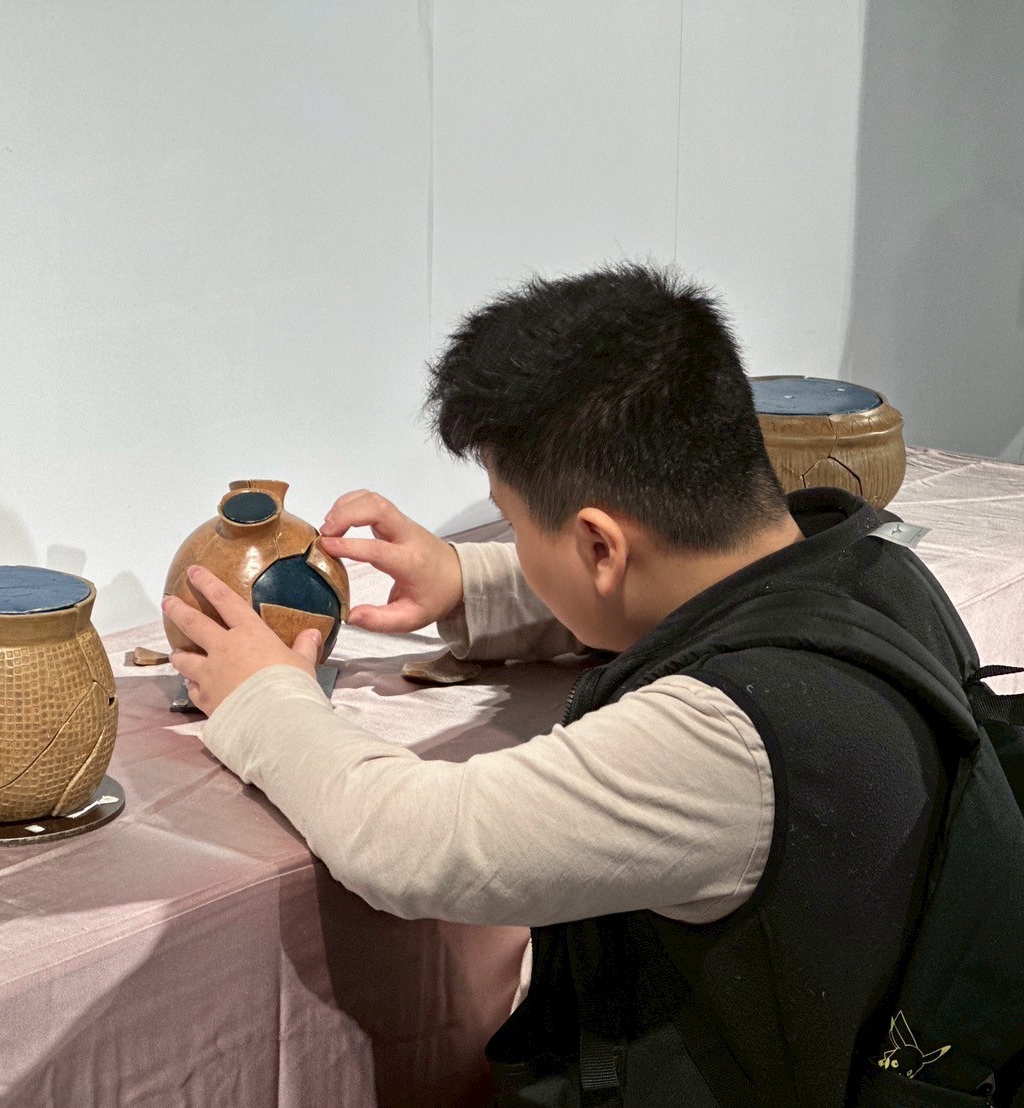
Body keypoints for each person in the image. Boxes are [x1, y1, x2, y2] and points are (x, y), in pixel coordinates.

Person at [161, 263, 965, 1105]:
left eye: (512, 524)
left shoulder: (725, 740)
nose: (511, 542)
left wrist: (263, 698)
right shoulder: (875, 568)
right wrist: (468, 583)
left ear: (598, 548)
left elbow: (416, 842)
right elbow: (684, 595)